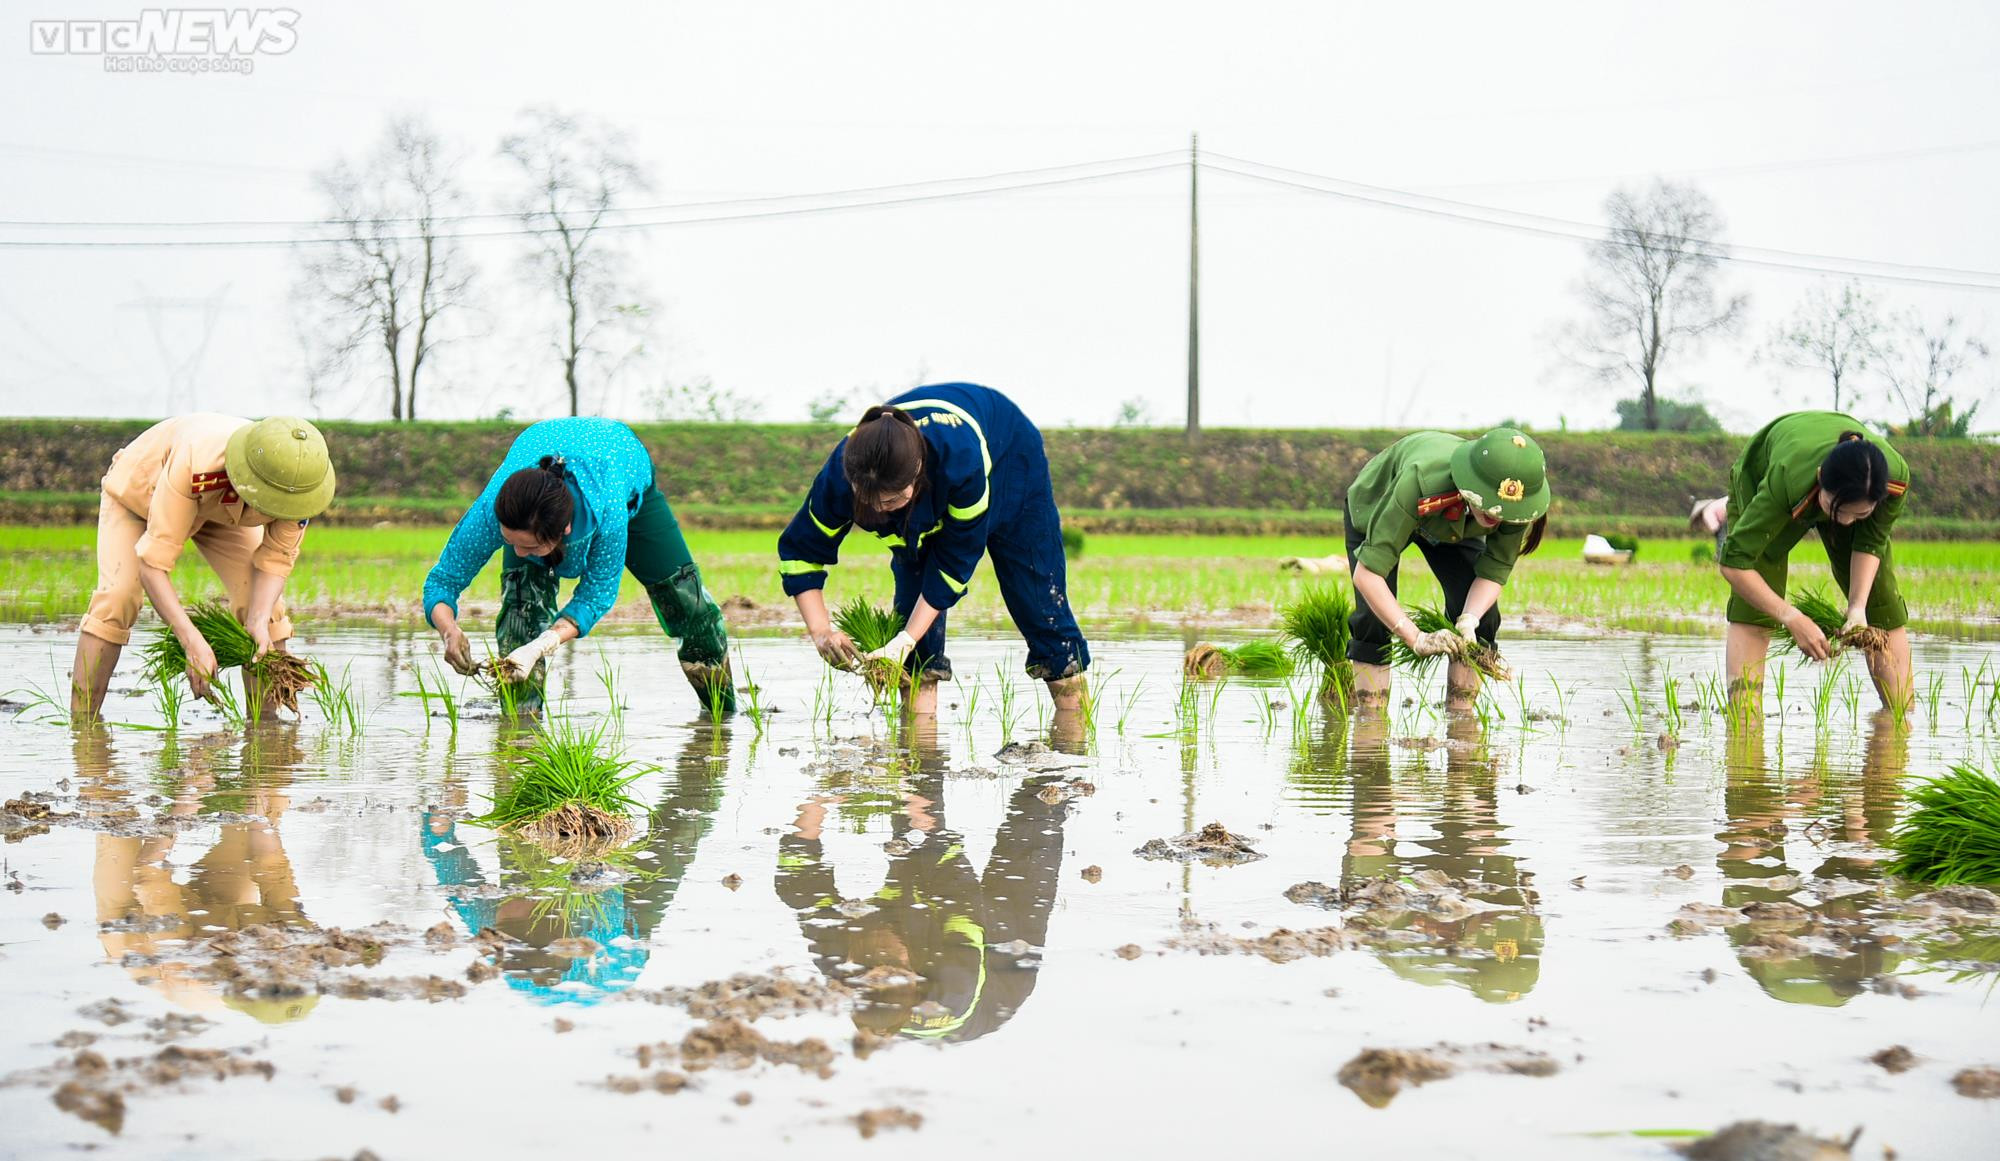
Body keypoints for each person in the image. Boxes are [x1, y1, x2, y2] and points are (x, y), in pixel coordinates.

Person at [777, 383, 1089, 716]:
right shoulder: (841, 475)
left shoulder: (959, 462)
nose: (881, 510)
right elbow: (800, 552)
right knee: (914, 630)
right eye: (868, 501)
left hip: (1009, 454)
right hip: (921, 488)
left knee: (1038, 600)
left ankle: (1074, 731)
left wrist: (905, 639)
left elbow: (954, 564)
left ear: (917, 472)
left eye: (892, 500)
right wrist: (821, 631)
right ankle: (920, 751)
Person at [422, 417, 732, 713]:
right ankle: (520, 735)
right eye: (508, 541)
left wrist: (542, 645)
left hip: (621, 467)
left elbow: (596, 595)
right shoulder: (497, 510)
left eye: (527, 546)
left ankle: (722, 714)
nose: (515, 551)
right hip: (540, 458)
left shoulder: (608, 509)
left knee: (687, 605)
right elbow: (442, 581)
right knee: (521, 614)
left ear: (563, 533)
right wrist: (448, 630)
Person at [70, 414, 335, 720]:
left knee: (266, 611)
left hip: (225, 511)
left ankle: (266, 733)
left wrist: (258, 620)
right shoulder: (197, 463)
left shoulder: (299, 487)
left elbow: (276, 561)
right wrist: (191, 641)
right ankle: (83, 729)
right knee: (118, 597)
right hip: (144, 494)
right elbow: (152, 566)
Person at [1712, 412, 1912, 709]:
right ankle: (1744, 725)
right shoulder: (1786, 478)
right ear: (1820, 477)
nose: (1844, 523)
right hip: (1767, 479)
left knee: (1881, 605)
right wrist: (1792, 618)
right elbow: (1734, 562)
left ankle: (1901, 720)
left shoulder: (1891, 480)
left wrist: (1857, 608)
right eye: (1837, 510)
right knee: (1755, 604)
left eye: (1859, 515)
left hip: (1845, 490)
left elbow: (1870, 542)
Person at [1342, 427, 1550, 709]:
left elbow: (1493, 572)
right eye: (1488, 505)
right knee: (1373, 619)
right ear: (1472, 486)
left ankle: (1461, 720)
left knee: (1484, 617)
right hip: (1384, 504)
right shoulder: (1419, 481)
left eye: (1502, 510)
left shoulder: (1516, 505)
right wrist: (1415, 637)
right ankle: (1370, 721)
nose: (1494, 515)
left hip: (1455, 524)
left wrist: (1469, 619)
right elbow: (1367, 576)